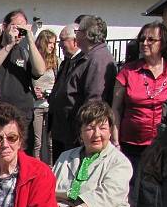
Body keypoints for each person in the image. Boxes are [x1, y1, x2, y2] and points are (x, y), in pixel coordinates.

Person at [112, 22, 167, 207]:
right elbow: (116, 109)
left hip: (164, 147)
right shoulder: (128, 71)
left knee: (159, 198)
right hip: (132, 143)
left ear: (163, 43)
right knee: (132, 195)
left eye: (151, 39)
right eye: (142, 39)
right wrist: (115, 140)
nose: (144, 43)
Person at [51, 15, 117, 160]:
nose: (76, 35)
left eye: (78, 31)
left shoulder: (98, 60)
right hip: (67, 132)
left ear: (86, 34)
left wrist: (84, 131)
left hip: (78, 135)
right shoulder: (89, 57)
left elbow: (94, 102)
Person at [0, 9, 46, 146]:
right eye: (16, 26)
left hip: (23, 116)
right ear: (4, 26)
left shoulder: (25, 53)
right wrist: (9, 45)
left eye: (22, 28)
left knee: (23, 158)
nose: (18, 32)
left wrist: (30, 40)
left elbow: (40, 70)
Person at [48, 24, 84, 161]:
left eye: (63, 40)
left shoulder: (82, 62)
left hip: (71, 127)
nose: (60, 45)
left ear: (75, 41)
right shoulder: (65, 63)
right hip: (59, 126)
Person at [32, 29, 59, 163]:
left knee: (51, 142)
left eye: (54, 43)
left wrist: (49, 93)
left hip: (50, 104)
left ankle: (52, 168)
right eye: (49, 43)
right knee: (37, 142)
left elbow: (59, 83)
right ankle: (36, 167)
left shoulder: (56, 62)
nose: (52, 46)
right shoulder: (33, 60)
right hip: (36, 106)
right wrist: (33, 92)